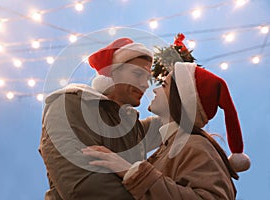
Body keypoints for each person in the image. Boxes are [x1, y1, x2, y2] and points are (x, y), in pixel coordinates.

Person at [81, 34, 251, 199]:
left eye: (164, 85)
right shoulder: (169, 145)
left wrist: (131, 171)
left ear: (179, 99)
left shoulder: (196, 145)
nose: (153, 89)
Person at [39, 37, 162, 199]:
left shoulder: (133, 128)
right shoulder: (68, 104)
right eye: (138, 74)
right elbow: (82, 184)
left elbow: (173, 122)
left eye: (147, 78)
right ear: (113, 72)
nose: (145, 84)